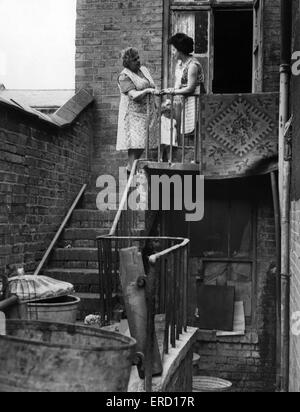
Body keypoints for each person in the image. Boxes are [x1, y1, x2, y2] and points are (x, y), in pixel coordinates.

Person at [116, 47, 159, 172]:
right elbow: (133, 95)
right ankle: (130, 170)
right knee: (136, 143)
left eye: (138, 58)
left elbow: (152, 85)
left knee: (143, 143)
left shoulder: (144, 70)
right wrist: (147, 91)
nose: (138, 61)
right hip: (132, 115)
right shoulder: (124, 76)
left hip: (147, 113)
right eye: (134, 60)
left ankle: (131, 169)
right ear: (127, 63)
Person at [162, 33, 205, 140]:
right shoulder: (181, 64)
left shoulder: (192, 66)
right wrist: (171, 98)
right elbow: (178, 83)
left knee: (197, 131)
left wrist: (172, 92)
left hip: (195, 101)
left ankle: (198, 156)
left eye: (173, 50)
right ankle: (192, 156)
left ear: (180, 50)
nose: (172, 53)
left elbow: (190, 88)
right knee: (189, 134)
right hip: (186, 100)